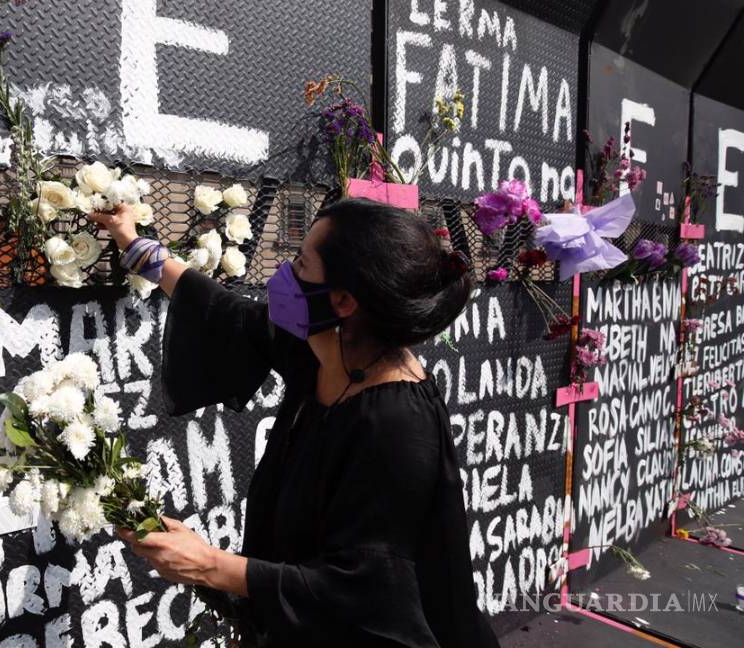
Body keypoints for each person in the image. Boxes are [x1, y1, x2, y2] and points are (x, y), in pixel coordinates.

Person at [92, 197, 499, 647]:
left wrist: (210, 566)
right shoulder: (319, 351)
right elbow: (224, 310)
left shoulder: (397, 426)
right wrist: (131, 242)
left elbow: (364, 590)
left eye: (301, 263)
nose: (282, 274)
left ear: (342, 300)